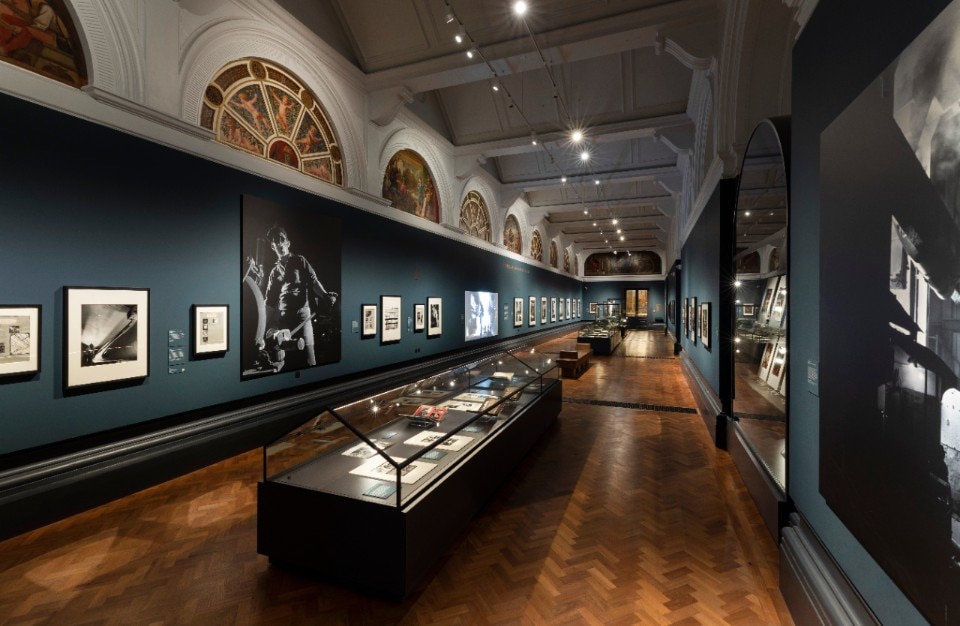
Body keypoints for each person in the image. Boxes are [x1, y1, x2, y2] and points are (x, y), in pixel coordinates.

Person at [260, 225, 337, 368]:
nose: (280, 243)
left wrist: (326, 297)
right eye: (276, 241)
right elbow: (269, 303)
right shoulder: (274, 272)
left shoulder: (300, 261)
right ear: (273, 246)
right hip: (285, 323)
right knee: (288, 363)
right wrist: (261, 330)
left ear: (288, 243)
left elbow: (314, 282)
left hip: (303, 317)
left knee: (309, 360)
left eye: (282, 239)